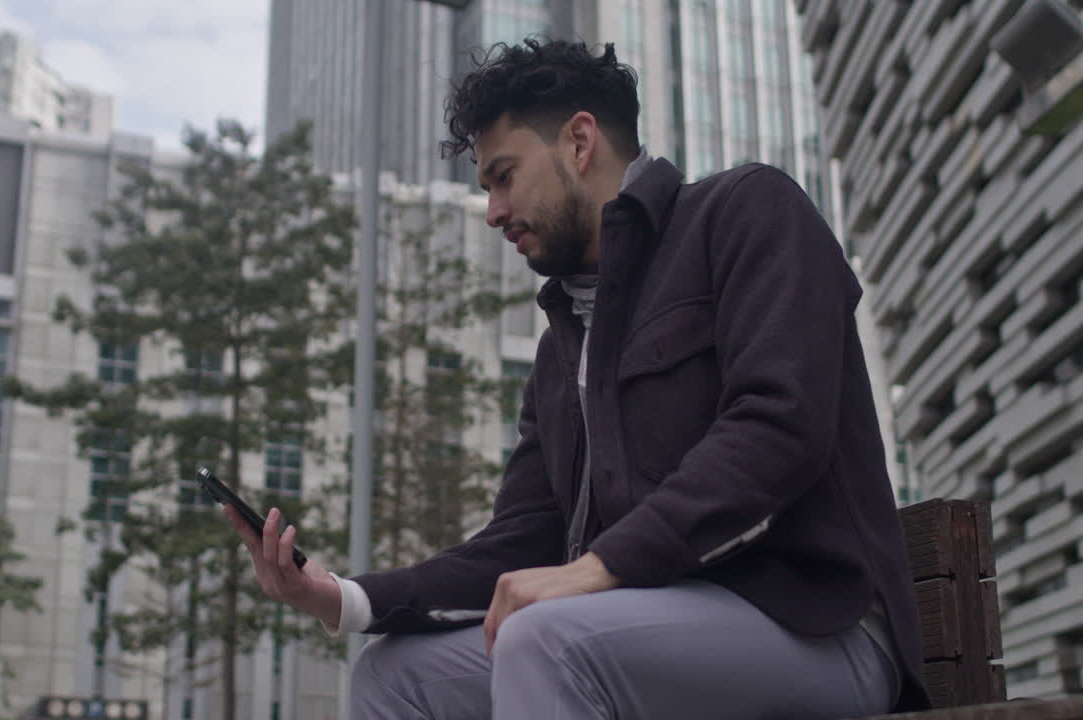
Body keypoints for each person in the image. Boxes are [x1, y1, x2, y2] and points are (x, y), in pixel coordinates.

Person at [224, 39, 929, 718]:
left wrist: (596, 570)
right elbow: (524, 540)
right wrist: (341, 597)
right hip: (636, 632)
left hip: (816, 628)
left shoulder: (747, 211)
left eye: (503, 175)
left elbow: (781, 428)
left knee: (548, 639)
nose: (495, 210)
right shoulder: (562, 349)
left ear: (579, 143)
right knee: (398, 675)